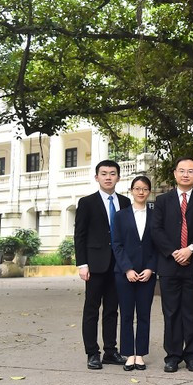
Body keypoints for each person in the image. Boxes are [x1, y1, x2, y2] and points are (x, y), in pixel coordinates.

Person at [151, 156, 193, 373]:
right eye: (182, 170)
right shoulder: (162, 201)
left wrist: (191, 249)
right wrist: (173, 252)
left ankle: (192, 355)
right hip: (169, 265)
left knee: (192, 311)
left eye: (190, 171)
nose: (186, 174)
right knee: (171, 312)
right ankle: (173, 355)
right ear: (175, 173)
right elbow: (155, 230)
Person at [75, 159, 131, 369]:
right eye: (104, 173)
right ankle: (92, 353)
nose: (108, 177)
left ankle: (110, 351)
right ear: (97, 177)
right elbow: (79, 235)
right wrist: (82, 264)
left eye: (112, 173)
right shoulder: (86, 202)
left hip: (118, 266)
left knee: (112, 310)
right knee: (91, 309)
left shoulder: (125, 202)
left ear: (118, 176)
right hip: (95, 264)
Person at [111, 176, 157, 371]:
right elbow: (117, 245)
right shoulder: (121, 216)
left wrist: (150, 268)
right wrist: (127, 269)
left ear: (149, 192)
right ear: (131, 190)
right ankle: (129, 353)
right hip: (124, 274)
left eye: (145, 189)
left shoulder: (156, 216)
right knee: (127, 314)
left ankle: (141, 354)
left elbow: (158, 245)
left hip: (147, 272)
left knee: (144, 314)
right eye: (137, 188)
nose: (141, 192)